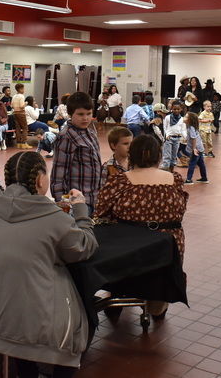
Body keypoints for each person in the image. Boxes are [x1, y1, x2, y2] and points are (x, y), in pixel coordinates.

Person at [0, 152, 97, 378]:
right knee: (85, 315)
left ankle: (26, 370)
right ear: (41, 180)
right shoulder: (53, 217)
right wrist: (81, 210)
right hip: (35, 323)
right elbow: (84, 247)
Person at [96, 135, 188, 316]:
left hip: (130, 250)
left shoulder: (119, 181)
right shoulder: (175, 180)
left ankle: (116, 296)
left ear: (132, 155)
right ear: (159, 156)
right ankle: (158, 305)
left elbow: (100, 213)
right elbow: (181, 211)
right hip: (168, 250)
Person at [50, 92, 102, 215]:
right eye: (80, 114)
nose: (85, 118)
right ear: (70, 114)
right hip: (76, 204)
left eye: (88, 114)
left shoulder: (91, 134)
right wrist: (63, 204)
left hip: (94, 199)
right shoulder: (66, 136)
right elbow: (58, 173)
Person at [161, 100, 186, 172]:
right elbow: (165, 127)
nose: (176, 111)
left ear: (181, 109)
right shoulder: (168, 117)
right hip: (169, 138)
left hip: (177, 138)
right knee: (167, 154)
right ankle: (165, 168)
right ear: (171, 109)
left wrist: (186, 137)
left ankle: (171, 169)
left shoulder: (182, 119)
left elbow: (183, 130)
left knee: (174, 155)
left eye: (178, 109)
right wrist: (166, 135)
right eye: (174, 109)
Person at [183, 112, 208, 185]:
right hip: (199, 147)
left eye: (186, 117)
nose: (184, 118)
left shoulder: (190, 127)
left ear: (190, 120)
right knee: (201, 163)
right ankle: (204, 177)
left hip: (196, 148)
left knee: (192, 163)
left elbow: (194, 138)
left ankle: (189, 179)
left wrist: (194, 149)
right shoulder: (191, 126)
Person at [11, 83, 28, 149]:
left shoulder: (14, 96)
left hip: (15, 113)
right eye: (23, 89)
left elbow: (12, 106)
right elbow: (21, 106)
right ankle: (24, 143)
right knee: (25, 128)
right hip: (21, 113)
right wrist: (25, 103)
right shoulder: (21, 96)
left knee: (17, 128)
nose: (24, 90)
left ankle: (18, 143)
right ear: (20, 89)